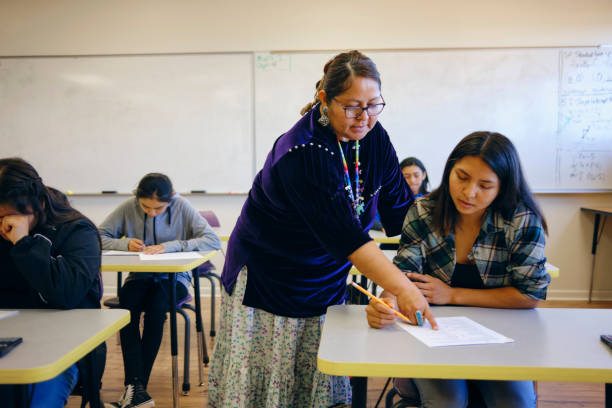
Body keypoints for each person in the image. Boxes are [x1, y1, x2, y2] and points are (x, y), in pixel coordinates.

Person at [207, 50, 437, 408]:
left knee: (318, 380)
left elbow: (403, 216)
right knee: (272, 386)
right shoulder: (302, 151)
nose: (364, 117)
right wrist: (403, 288)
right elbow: (350, 239)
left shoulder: (375, 138)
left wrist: (399, 285)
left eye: (374, 105)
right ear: (324, 100)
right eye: (351, 106)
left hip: (326, 277)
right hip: (271, 279)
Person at [366, 132, 550, 408]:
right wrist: (387, 303)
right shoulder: (424, 211)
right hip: (432, 334)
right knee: (446, 401)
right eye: (462, 177)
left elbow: (530, 294)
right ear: (449, 168)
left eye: (485, 185)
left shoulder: (521, 220)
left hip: (501, 338)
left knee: (516, 402)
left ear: (503, 186)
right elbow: (402, 276)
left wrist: (452, 295)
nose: (469, 192)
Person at [99, 173, 221, 408]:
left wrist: (171, 247)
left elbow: (212, 240)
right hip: (139, 275)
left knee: (156, 311)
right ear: (137, 198)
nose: (151, 212)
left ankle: (135, 389)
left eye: (158, 208)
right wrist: (125, 244)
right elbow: (98, 236)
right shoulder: (128, 207)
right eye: (145, 207)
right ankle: (136, 390)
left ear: (171, 198)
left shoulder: (182, 206)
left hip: (174, 277)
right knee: (126, 311)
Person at [0, 157, 105, 408]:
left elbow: (65, 294)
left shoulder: (77, 232)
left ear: (39, 204)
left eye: (8, 216)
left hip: (62, 347)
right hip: (7, 339)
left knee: (36, 398)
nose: (2, 225)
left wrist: (24, 243)